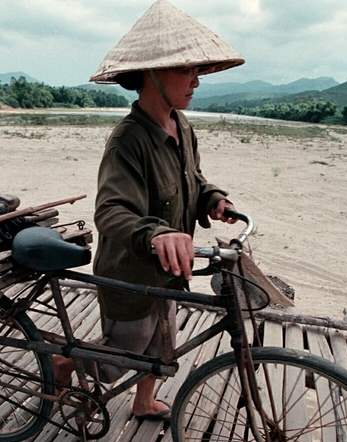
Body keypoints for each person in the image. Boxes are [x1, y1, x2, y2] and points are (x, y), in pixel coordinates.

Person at [52, 0, 245, 420]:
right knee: (118, 358)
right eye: (185, 70)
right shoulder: (128, 140)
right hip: (131, 271)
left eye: (197, 71)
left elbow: (192, 177)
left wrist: (213, 198)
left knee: (161, 342)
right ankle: (62, 362)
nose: (195, 80)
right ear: (152, 74)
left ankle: (142, 402)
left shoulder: (182, 124)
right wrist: (156, 234)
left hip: (170, 265)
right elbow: (111, 210)